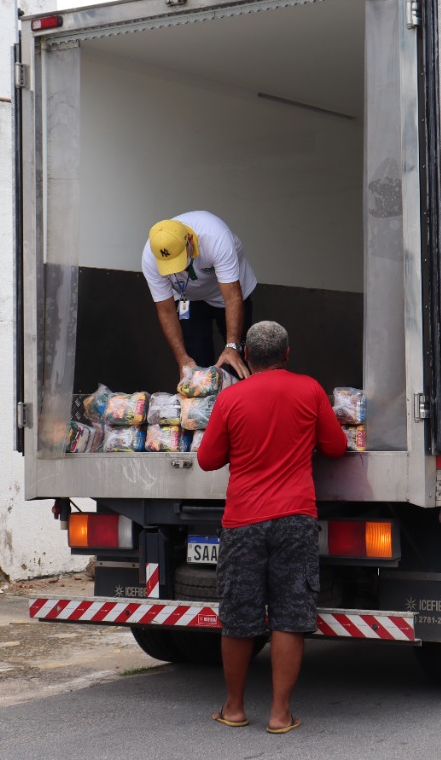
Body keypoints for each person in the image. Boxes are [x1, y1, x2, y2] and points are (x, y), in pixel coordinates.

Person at [196, 321, 348, 734]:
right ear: (287, 354)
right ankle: (280, 714)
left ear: (246, 357)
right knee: (289, 614)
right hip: (296, 518)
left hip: (243, 520)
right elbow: (336, 446)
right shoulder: (310, 390)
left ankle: (234, 708)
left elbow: (208, 460)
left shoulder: (230, 398)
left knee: (239, 616)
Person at [142, 211, 256, 380]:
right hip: (189, 299)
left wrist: (232, 346)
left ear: (189, 240)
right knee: (195, 366)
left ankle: (240, 401)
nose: (176, 270)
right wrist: (182, 359)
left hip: (228, 295)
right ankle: (204, 405)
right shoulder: (150, 257)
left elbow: (232, 297)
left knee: (238, 362)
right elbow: (166, 311)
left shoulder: (215, 237)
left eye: (178, 260)